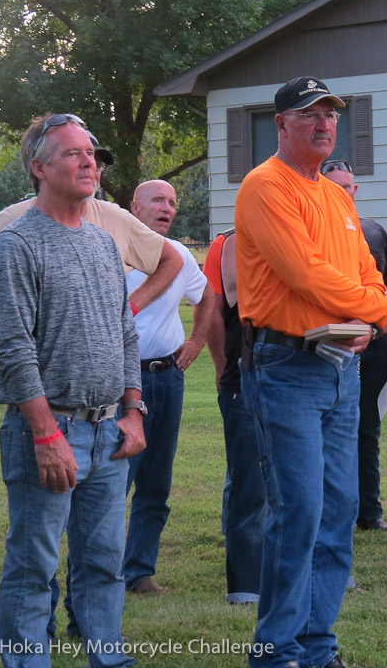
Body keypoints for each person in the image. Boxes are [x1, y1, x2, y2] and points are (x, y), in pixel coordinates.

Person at [235, 76, 387, 668]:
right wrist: (379, 310)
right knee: (298, 510)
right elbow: (306, 275)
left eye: (330, 114)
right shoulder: (264, 186)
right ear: (281, 125)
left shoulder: (336, 196)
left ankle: (317, 645)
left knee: (338, 510)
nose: (324, 124)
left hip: (339, 367)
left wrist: (371, 302)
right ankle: (276, 653)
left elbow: (368, 270)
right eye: (310, 115)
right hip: (285, 365)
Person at [0, 113, 146, 667]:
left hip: (110, 433)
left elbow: (124, 331)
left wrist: (134, 410)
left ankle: (109, 659)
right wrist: (46, 432)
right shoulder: (16, 245)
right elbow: (12, 351)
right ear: (39, 167)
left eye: (93, 154)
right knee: (34, 567)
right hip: (50, 432)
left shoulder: (104, 245)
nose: (90, 162)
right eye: (75, 153)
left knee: (104, 562)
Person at [122, 180, 214, 593]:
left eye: (173, 202)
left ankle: (139, 571)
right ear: (134, 208)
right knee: (115, 480)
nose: (168, 208)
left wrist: (196, 341)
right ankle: (101, 573)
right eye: (158, 200)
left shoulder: (177, 254)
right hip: (122, 384)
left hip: (167, 379)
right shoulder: (113, 251)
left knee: (156, 483)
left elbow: (207, 298)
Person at [0, 130, 184, 313]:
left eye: (95, 163)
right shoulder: (13, 222)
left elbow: (171, 260)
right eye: (74, 156)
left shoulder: (115, 217)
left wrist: (130, 308)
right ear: (42, 168)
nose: (90, 168)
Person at [319, 159, 387, 531]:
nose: (344, 192)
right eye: (335, 186)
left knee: (367, 428)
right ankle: (328, 510)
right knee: (327, 431)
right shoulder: (311, 232)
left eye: (348, 186)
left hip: (374, 347)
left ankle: (369, 511)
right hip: (325, 346)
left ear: (356, 190)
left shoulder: (373, 233)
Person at [204, 228, 267, 604]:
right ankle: (247, 583)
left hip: (299, 379)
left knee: (304, 482)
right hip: (245, 378)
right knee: (250, 484)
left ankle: (311, 565)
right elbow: (236, 300)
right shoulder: (231, 242)